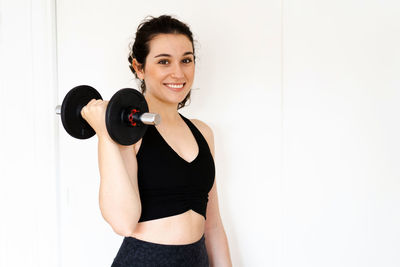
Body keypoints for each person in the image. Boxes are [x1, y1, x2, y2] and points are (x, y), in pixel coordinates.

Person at [81, 15, 232, 266]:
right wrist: (105, 134)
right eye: (164, 61)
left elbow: (213, 226)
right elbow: (123, 222)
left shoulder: (203, 133)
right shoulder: (125, 135)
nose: (178, 72)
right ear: (139, 67)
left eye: (186, 60)